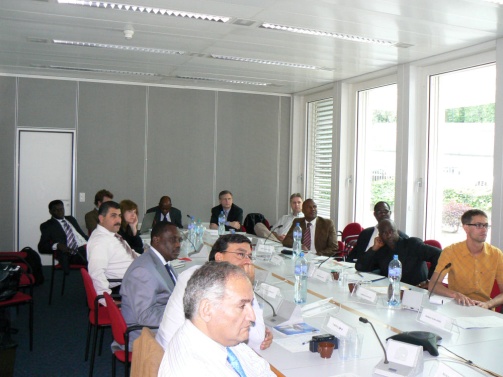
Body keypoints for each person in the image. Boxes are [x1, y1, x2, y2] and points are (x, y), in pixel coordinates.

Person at [156, 234, 272, 352]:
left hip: (169, 349)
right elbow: (257, 338)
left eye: (249, 256)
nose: (248, 262)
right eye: (240, 254)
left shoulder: (196, 272)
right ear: (219, 257)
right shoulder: (216, 287)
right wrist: (248, 285)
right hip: (182, 356)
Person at [158, 261, 275, 377]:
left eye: (250, 304)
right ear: (207, 309)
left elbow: (259, 367)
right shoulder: (195, 370)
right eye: (242, 306)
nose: (252, 317)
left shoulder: (217, 337)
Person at [120, 222, 180, 347]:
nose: (178, 245)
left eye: (179, 240)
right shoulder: (143, 271)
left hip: (160, 325)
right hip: (145, 334)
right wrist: (181, 314)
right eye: (172, 240)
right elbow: (145, 317)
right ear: (156, 240)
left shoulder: (161, 261)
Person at [428, 209, 503, 309]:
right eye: (478, 225)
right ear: (466, 228)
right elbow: (433, 285)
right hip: (457, 306)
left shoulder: (496, 254)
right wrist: (455, 295)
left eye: (486, 225)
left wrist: (489, 304)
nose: (484, 229)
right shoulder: (451, 251)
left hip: (483, 309)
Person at [356, 219, 440, 286]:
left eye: (391, 231)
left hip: (416, 290)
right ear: (380, 235)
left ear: (397, 231)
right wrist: (373, 249)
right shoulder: (381, 250)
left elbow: (439, 254)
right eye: (384, 232)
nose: (389, 235)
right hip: (392, 289)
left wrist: (431, 280)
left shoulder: (412, 244)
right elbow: (361, 267)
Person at [87, 201, 139, 300]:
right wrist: (108, 301)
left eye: (119, 216)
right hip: (125, 286)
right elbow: (96, 274)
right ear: (101, 219)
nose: (118, 220)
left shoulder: (111, 235)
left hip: (133, 278)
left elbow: (128, 253)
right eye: (113, 216)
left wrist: (146, 257)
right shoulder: (99, 242)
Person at [38, 200, 88, 274]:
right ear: (50, 212)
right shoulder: (47, 226)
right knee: (98, 259)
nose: (60, 212)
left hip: (87, 246)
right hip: (72, 252)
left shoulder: (71, 219)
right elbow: (42, 247)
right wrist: (57, 245)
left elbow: (82, 235)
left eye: (61, 209)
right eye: (56, 210)